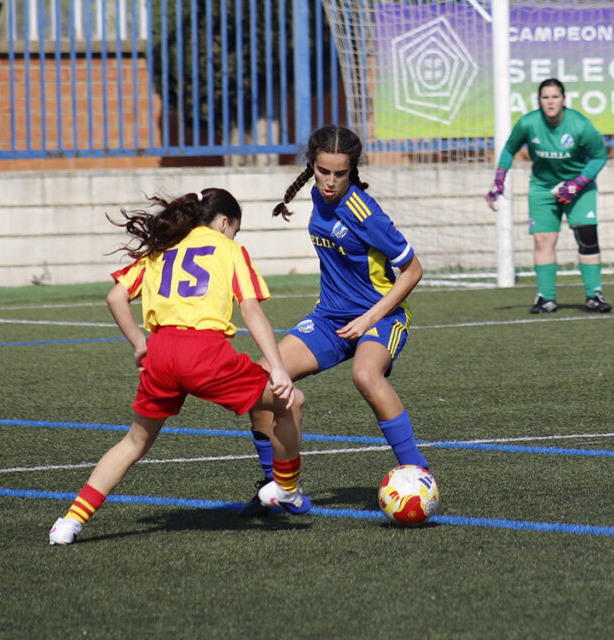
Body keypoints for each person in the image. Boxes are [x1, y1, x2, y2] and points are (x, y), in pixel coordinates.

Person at [48, 188, 309, 546]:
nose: (234, 236)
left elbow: (115, 296)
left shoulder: (162, 249)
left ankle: (69, 522)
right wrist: (278, 369)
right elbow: (251, 309)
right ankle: (286, 488)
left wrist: (140, 344)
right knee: (291, 401)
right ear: (223, 222)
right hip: (204, 353)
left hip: (161, 352)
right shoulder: (229, 249)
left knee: (135, 441)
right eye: (234, 229)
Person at [242, 125, 428, 516]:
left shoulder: (366, 213)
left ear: (351, 170)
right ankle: (275, 488)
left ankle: (418, 474)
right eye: (323, 171)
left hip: (381, 316)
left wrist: (368, 319)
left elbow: (413, 270)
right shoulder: (316, 196)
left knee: (365, 375)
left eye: (339, 174)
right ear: (312, 165)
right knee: (261, 382)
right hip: (329, 318)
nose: (329, 182)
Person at [486, 78, 611, 314]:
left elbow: (599, 156)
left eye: (555, 97)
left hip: (579, 187)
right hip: (542, 188)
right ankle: (546, 297)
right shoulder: (528, 123)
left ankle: (594, 294)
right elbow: (509, 149)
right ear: (539, 100)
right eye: (545, 97)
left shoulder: (581, 125)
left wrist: (578, 183)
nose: (550, 101)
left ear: (563, 99)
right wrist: (498, 181)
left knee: (587, 237)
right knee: (543, 240)